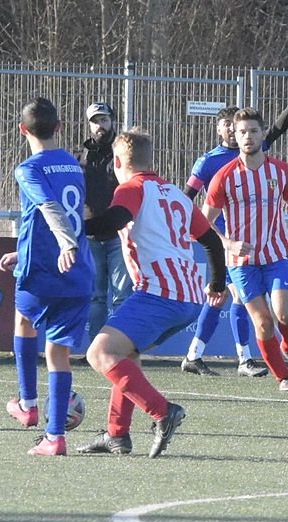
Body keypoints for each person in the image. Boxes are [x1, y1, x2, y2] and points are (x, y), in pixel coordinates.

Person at [76, 129, 227, 457]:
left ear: (117, 163)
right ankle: (117, 434)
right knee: (125, 354)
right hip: (188, 298)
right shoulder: (175, 194)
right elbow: (212, 242)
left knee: (99, 353)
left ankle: (163, 411)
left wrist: (74, 227)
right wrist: (217, 284)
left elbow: (115, 220)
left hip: (160, 293)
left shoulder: (132, 188)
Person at [202, 107, 288, 392]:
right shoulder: (224, 176)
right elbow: (204, 222)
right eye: (242, 132)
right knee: (263, 323)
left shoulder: (280, 171)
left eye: (253, 131)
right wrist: (227, 243)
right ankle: (283, 377)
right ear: (234, 135)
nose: (247, 137)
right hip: (241, 263)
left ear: (263, 133)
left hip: (275, 257)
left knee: (286, 316)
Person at [181, 80, 288, 377]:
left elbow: (277, 128)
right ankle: (216, 357)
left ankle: (224, 356)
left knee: (234, 299)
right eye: (227, 125)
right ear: (221, 130)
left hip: (253, 245)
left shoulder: (258, 152)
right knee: (223, 297)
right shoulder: (208, 162)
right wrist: (193, 229)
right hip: (223, 244)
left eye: (236, 125)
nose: (233, 130)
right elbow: (188, 197)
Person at [0, 97, 94, 456]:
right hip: (78, 272)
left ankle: (27, 404)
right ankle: (54, 437)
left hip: (44, 270)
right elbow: (72, 213)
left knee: (23, 321)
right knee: (58, 353)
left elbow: (50, 208)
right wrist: (22, 251)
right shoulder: (72, 165)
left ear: (22, 130)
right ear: (59, 127)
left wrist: (65, 244)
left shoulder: (28, 169)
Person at [77, 102, 132, 345]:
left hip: (120, 233)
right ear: (89, 125)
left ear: (112, 121)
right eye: (95, 121)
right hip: (90, 235)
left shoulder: (124, 154)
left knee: (122, 296)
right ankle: (96, 349)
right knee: (96, 297)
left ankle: (120, 348)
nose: (100, 125)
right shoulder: (78, 157)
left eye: (104, 120)